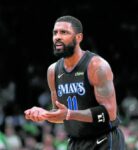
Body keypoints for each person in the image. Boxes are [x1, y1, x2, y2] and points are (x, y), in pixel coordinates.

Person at [24, 15, 125, 150]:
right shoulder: (53, 71)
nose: (57, 37)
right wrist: (45, 114)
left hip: (104, 140)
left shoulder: (96, 66)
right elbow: (60, 115)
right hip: (75, 142)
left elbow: (109, 113)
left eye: (64, 32)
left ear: (79, 38)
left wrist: (69, 114)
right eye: (55, 32)